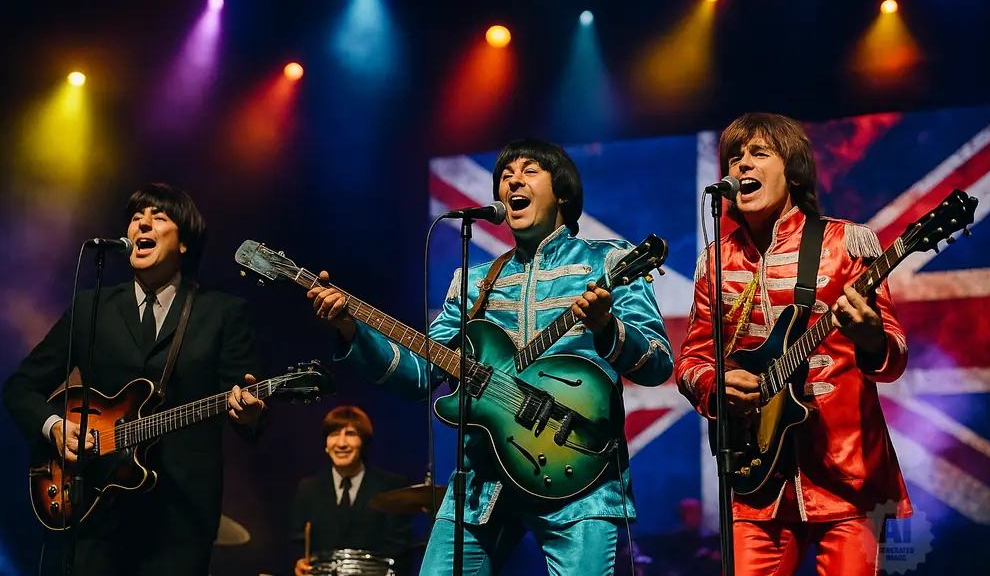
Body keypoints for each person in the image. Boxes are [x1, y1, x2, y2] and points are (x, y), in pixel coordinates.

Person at [308, 138, 673, 575]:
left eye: (529, 170)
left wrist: (605, 328)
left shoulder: (609, 262)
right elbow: (420, 374)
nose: (513, 180)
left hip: (580, 474)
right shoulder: (474, 281)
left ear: (562, 192)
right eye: (505, 175)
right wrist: (352, 328)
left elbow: (658, 362)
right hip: (483, 479)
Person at [675, 113, 911, 575]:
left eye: (759, 154)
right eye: (735, 157)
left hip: (847, 475)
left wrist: (869, 336)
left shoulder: (845, 243)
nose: (742, 165)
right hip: (754, 477)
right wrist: (716, 383)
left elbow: (894, 356)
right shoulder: (716, 261)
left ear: (795, 171)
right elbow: (693, 359)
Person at [2, 183, 266, 576]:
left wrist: (247, 413)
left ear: (184, 243)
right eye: (136, 218)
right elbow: (20, 386)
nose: (143, 223)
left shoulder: (223, 313)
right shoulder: (92, 306)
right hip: (94, 505)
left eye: (159, 217)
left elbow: (245, 407)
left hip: (180, 517)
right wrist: (56, 427)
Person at [290, 405, 412, 576]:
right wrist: (298, 562)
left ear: (364, 442)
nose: (341, 443)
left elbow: (399, 551)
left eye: (350, 434)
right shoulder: (308, 488)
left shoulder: (391, 486)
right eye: (334, 435)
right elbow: (297, 543)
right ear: (325, 445)